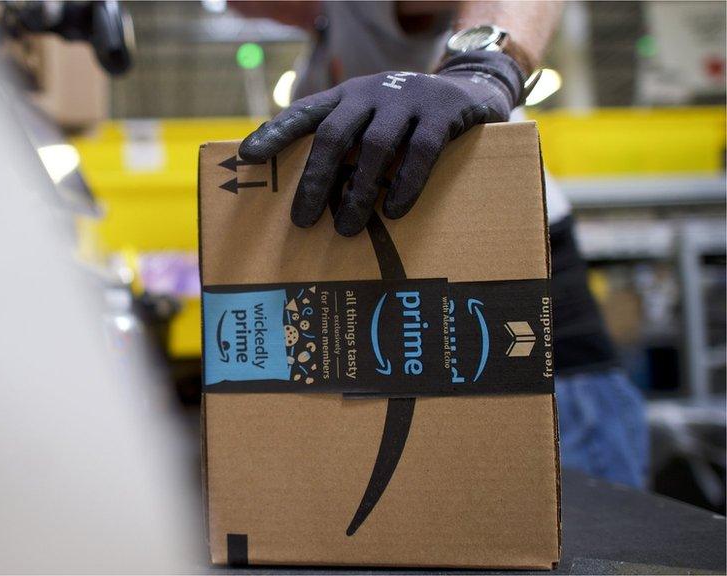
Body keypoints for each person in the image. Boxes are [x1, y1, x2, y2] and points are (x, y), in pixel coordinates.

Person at [233, 1, 649, 488]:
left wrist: (483, 66)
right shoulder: (327, 33)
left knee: (592, 526)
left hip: (508, 280)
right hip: (418, 303)